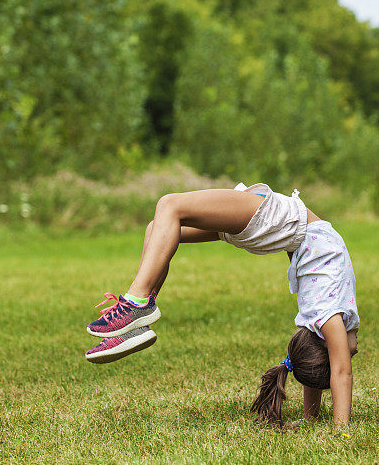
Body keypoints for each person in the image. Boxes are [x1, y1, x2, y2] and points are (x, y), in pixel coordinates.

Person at [84, 182, 359, 426]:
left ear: (326, 343)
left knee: (169, 206)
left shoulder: (328, 320)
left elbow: (340, 371)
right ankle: (139, 316)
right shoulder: (324, 325)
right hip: (277, 229)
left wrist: (341, 429)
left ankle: (136, 304)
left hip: (277, 223)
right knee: (159, 227)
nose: (350, 353)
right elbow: (330, 366)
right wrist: (312, 417)